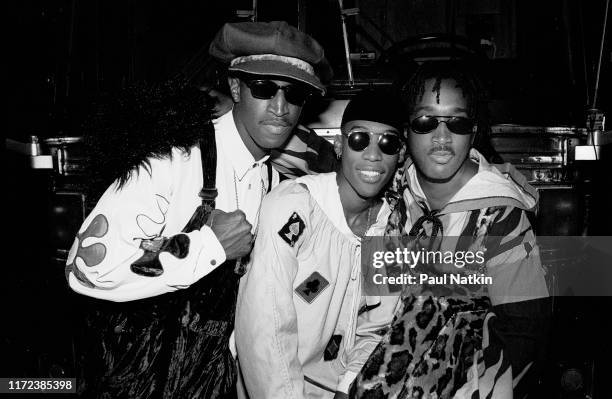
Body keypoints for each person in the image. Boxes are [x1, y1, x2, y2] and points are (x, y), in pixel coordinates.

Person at [66, 21, 333, 398]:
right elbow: (87, 270)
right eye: (263, 87)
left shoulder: (273, 183)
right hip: (139, 382)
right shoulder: (173, 158)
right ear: (236, 87)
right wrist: (207, 246)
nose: (280, 107)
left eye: (295, 94)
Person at [350, 61, 551, 398]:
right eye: (426, 121)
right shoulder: (391, 197)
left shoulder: (501, 216)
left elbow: (522, 334)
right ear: (406, 131)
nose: (441, 137)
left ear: (473, 132)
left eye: (456, 123)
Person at [235, 91, 406, 398]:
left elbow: (375, 328)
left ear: (400, 155)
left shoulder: (390, 231)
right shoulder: (295, 207)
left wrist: (348, 386)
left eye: (388, 143)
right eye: (358, 139)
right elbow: (265, 324)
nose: (373, 154)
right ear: (339, 146)